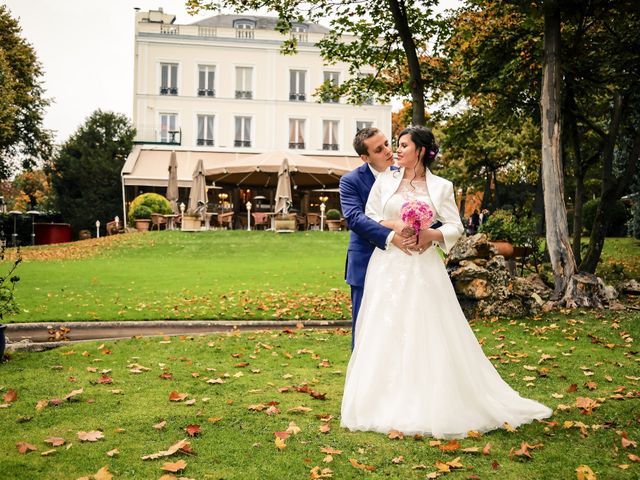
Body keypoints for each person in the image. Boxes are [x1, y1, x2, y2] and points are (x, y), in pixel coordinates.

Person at [341, 126, 552, 438]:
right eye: (392, 146)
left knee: (426, 328)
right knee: (383, 329)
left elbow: (455, 226)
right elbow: (370, 216)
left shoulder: (441, 186)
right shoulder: (385, 181)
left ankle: (431, 396)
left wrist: (430, 234)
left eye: (402, 145)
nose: (396, 151)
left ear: (421, 151)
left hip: (424, 266)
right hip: (387, 264)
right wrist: (396, 228)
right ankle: (380, 399)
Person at [339, 127, 417, 350]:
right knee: (364, 326)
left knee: (399, 325)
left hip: (402, 262)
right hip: (364, 261)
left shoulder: (406, 174)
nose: (388, 150)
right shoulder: (350, 181)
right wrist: (391, 235)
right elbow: (354, 218)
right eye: (379, 149)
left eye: (386, 143)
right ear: (365, 157)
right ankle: (361, 383)